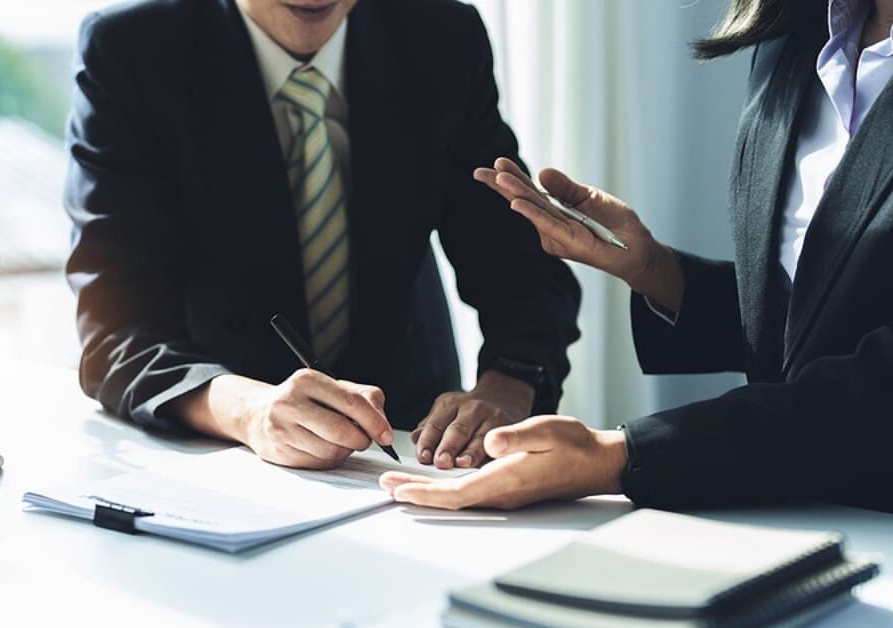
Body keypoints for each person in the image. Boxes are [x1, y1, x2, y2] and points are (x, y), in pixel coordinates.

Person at [381, 0, 893, 513]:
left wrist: (620, 456)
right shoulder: (795, 38)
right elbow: (813, 330)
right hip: (791, 511)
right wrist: (656, 272)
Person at [64, 0, 581, 470]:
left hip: (412, 441)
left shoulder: (442, 36)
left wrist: (509, 383)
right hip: (216, 449)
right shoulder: (133, 50)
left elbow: (520, 266)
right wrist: (247, 411)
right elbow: (115, 331)